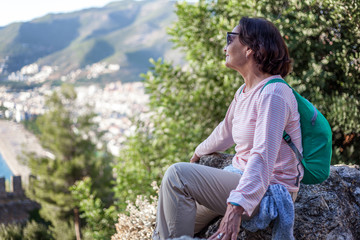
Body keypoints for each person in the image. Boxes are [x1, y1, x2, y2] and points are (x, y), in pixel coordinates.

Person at [153, 17, 303, 240]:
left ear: (251, 47)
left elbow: (262, 157)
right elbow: (226, 130)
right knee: (172, 219)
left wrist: (236, 206)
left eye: (230, 38)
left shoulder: (274, 94)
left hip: (268, 189)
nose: (225, 47)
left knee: (177, 175)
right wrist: (198, 152)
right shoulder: (245, 91)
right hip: (238, 176)